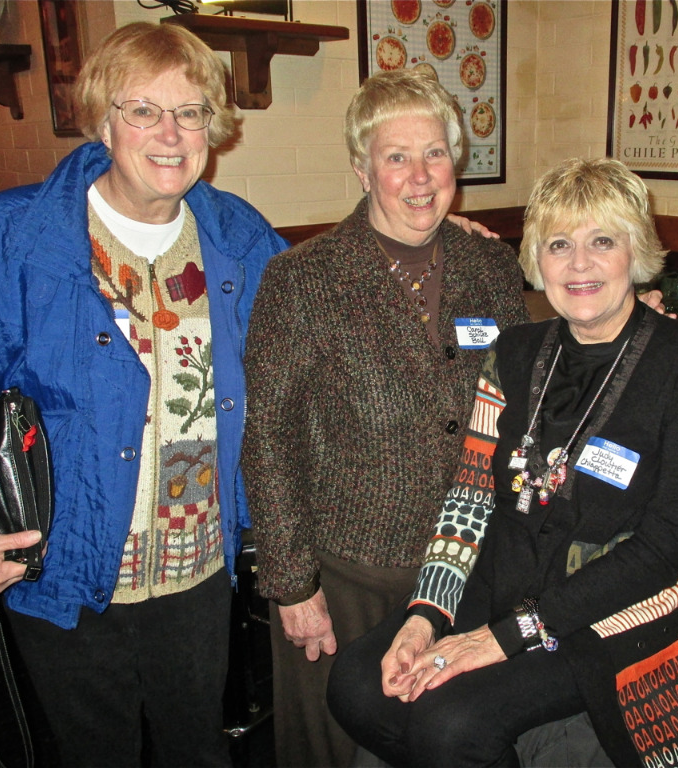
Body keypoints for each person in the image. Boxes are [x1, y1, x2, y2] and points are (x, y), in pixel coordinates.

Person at [327, 157, 678, 767]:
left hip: (606, 611)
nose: (580, 264)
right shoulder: (513, 354)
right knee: (357, 687)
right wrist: (424, 616)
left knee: (451, 726)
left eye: (603, 241)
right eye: (559, 244)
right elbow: (470, 497)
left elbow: (660, 552)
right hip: (502, 582)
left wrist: (502, 640)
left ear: (637, 252)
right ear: (536, 260)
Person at [0, 22, 288, 767]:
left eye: (191, 111)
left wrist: (429, 238)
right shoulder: (5, 239)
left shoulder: (240, 236)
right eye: (143, 110)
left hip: (199, 572)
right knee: (94, 753)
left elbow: (317, 324)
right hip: (63, 566)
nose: (170, 134)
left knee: (198, 748)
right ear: (103, 120)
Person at [241, 69, 530, 767]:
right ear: (362, 169)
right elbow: (268, 435)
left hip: (468, 569)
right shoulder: (302, 279)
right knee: (334, 749)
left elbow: (522, 396)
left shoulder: (489, 265)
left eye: (435, 153)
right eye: (396, 156)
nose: (420, 175)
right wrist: (292, 583)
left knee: (444, 742)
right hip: (347, 579)